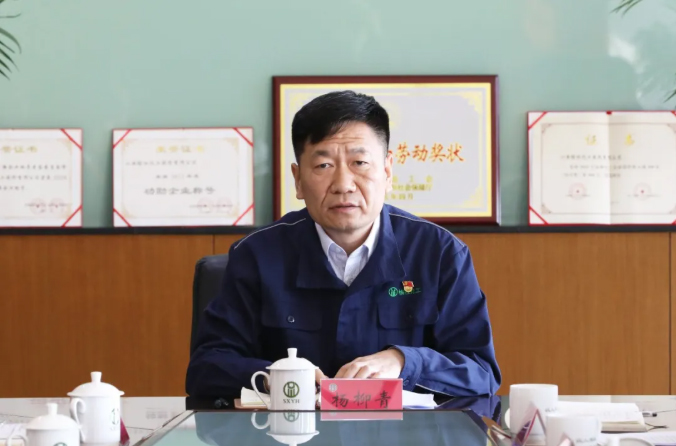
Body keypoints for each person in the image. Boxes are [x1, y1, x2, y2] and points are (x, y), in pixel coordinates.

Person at [186, 91, 501, 398]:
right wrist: (277, 376)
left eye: (360, 162)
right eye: (323, 166)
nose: (343, 184)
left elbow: (481, 371)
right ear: (298, 179)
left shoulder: (439, 252)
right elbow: (206, 367)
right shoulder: (257, 255)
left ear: (387, 171)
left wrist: (404, 361)